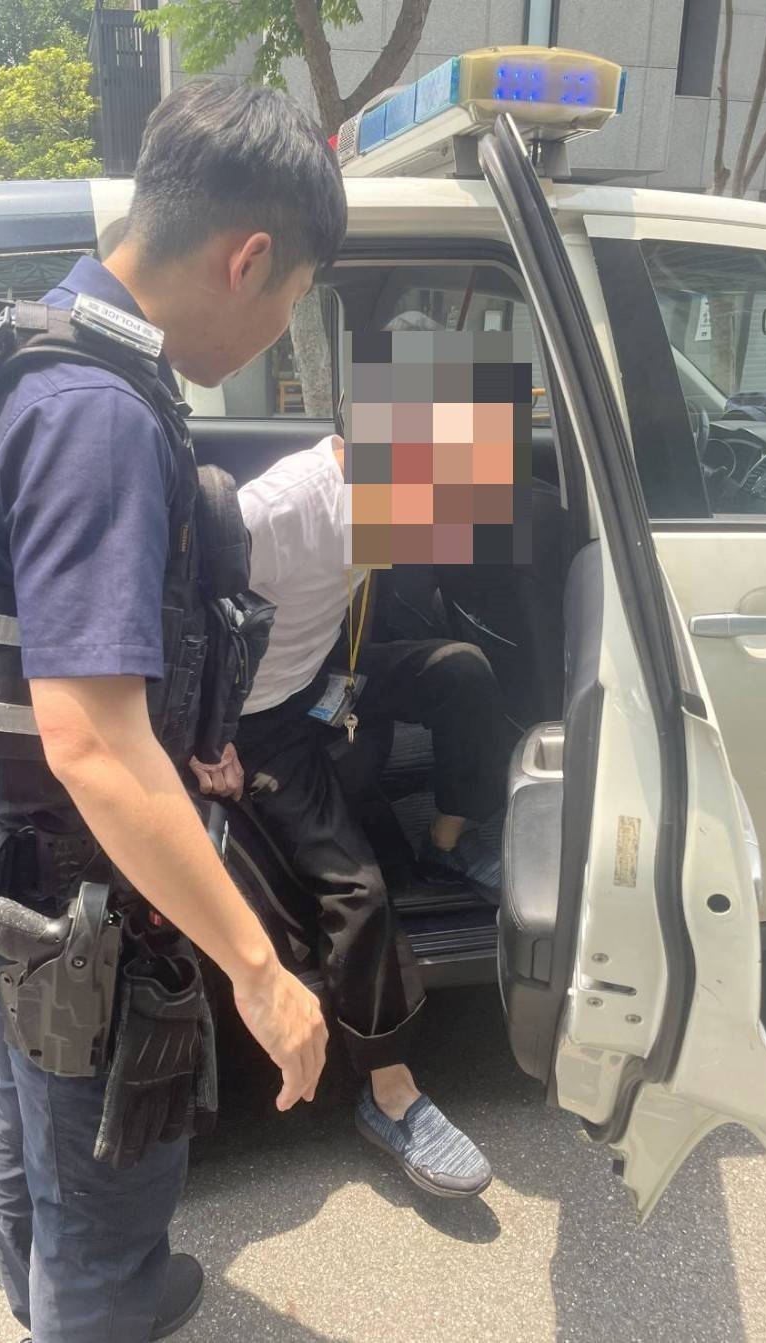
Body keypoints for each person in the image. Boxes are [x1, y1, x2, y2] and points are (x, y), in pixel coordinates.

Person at [0, 81, 346, 1343]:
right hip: (70, 887)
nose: (279, 332)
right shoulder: (95, 417)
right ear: (248, 257)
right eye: (293, 300)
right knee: (106, 1174)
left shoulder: (15, 339)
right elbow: (90, 742)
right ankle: (96, 1308)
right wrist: (260, 969)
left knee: (33, 1120)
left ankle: (67, 1299)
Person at [193, 433, 505, 1200]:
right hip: (257, 722)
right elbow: (173, 615)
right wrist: (203, 737)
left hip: (325, 678)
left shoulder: (392, 499)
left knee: (461, 672)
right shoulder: (278, 511)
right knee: (357, 887)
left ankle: (447, 844)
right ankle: (390, 1091)